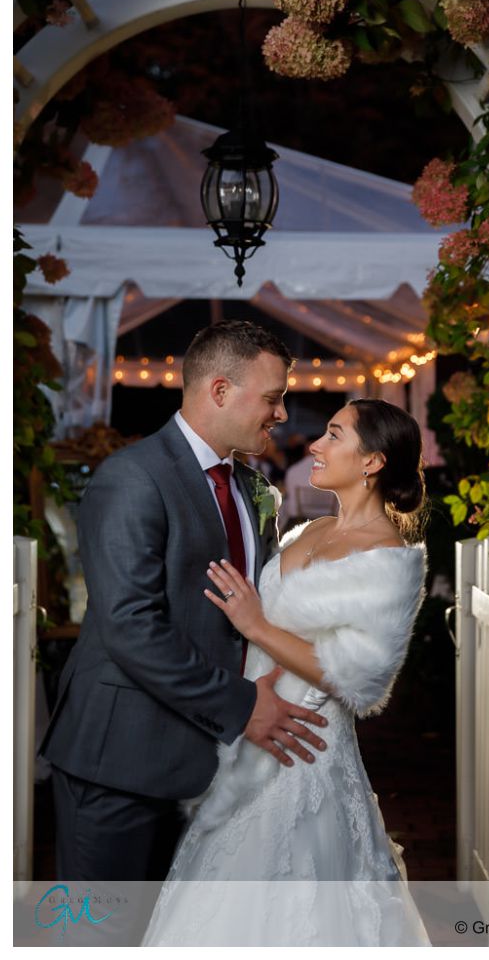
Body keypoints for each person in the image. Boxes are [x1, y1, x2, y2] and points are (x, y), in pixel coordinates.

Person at [38, 321, 328, 903]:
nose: (280, 414)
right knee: (105, 934)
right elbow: (130, 627)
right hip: (122, 759)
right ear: (220, 390)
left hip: (210, 761)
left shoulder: (248, 483)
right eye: (272, 398)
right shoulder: (132, 478)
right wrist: (243, 705)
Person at [142, 398, 432, 947]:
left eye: (333, 435)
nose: (314, 446)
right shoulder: (308, 531)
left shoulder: (392, 557)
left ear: (372, 462)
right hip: (248, 732)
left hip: (307, 746)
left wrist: (256, 626)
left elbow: (363, 677)